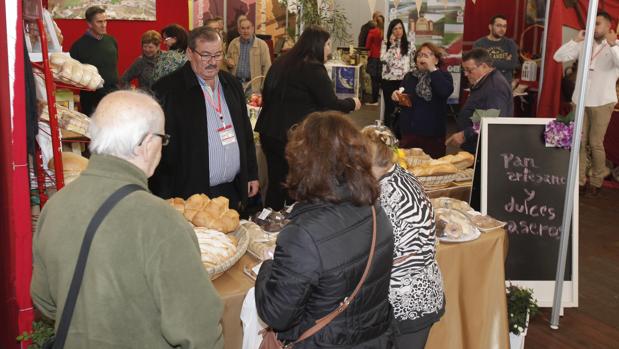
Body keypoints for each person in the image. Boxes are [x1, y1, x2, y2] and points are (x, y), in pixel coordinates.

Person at [31, 90, 223, 348]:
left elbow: (44, 302)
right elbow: (200, 334)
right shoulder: (161, 222)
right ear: (145, 143)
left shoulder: (54, 207)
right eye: (162, 139)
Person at [255, 111, 396, 349]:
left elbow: (276, 315)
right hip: (376, 339)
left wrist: (267, 268)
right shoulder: (374, 209)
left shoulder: (302, 235)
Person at [150, 26, 259, 212]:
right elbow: (158, 148)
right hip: (190, 195)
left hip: (232, 190)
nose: (213, 62)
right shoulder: (168, 90)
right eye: (206, 55)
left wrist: (251, 174)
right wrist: (163, 195)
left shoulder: (231, 85)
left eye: (217, 55)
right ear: (190, 53)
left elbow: (245, 134)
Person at [255, 25, 361, 210]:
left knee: (276, 182)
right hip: (291, 136)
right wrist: (353, 103)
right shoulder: (313, 68)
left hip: (269, 131)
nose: (329, 49)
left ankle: (271, 222)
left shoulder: (283, 61)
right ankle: (292, 223)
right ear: (317, 45)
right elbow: (330, 103)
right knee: (295, 184)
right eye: (328, 44)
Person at [362, 126, 445, 349]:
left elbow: (376, 252)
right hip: (424, 292)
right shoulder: (401, 174)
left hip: (405, 301)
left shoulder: (386, 195)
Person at [554, 11, 619, 197]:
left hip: (602, 102)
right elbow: (558, 57)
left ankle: (597, 181)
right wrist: (575, 40)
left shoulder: (615, 46)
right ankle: (580, 180)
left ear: (608, 27)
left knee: (595, 143)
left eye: (598, 23)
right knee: (580, 142)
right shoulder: (583, 44)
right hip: (580, 100)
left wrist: (613, 44)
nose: (594, 27)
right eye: (592, 23)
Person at [446, 48, 513, 154]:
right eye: (465, 70)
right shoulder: (486, 81)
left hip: (485, 150)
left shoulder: (495, 87)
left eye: (469, 70)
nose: (466, 74)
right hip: (476, 147)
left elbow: (492, 121)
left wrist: (465, 134)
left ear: (484, 66)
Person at [392, 42, 454, 157]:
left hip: (433, 135)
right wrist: (396, 96)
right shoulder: (409, 77)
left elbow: (444, 91)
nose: (422, 57)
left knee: (433, 169)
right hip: (409, 133)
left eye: (427, 55)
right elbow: (402, 100)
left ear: (436, 60)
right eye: (420, 55)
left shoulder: (443, 76)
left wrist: (432, 69)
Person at [69, 6, 118, 116]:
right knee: (93, 131)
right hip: (90, 99)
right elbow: (73, 76)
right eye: (99, 22)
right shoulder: (78, 46)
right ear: (89, 24)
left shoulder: (111, 41)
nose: (104, 25)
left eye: (105, 21)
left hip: (112, 95)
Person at [381, 18, 416, 132]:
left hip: (403, 82)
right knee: (389, 109)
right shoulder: (386, 44)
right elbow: (383, 60)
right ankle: (387, 136)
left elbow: (413, 64)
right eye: (395, 29)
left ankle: (402, 135)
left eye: (400, 28)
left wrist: (412, 80)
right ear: (391, 31)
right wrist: (392, 46)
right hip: (388, 81)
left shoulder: (410, 45)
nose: (398, 31)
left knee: (404, 109)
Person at [226, 17, 271, 92]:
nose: (245, 31)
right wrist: (228, 61)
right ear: (239, 30)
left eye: (248, 28)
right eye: (243, 28)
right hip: (235, 84)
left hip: (253, 86)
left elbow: (267, 67)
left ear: (253, 29)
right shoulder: (233, 43)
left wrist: (263, 86)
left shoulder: (262, 45)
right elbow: (227, 62)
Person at [473, 15, 520, 85]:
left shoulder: (510, 43)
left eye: (504, 26)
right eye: (498, 26)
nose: (502, 29)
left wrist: (488, 61)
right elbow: (478, 65)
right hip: (484, 84)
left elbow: (513, 64)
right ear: (490, 27)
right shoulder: (479, 44)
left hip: (505, 85)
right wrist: (504, 62)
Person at [366, 15, 385, 105]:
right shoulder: (385, 33)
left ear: (375, 22)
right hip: (383, 58)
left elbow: (367, 46)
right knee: (381, 79)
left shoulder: (372, 31)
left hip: (374, 57)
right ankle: (381, 99)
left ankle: (374, 100)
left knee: (374, 80)